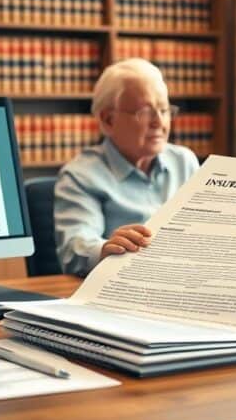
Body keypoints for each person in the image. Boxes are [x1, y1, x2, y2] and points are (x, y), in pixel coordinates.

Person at [54, 58, 200, 276]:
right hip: (123, 288)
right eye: (145, 112)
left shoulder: (185, 161)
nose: (159, 122)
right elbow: (75, 246)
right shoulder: (80, 175)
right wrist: (105, 250)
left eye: (164, 110)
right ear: (108, 120)